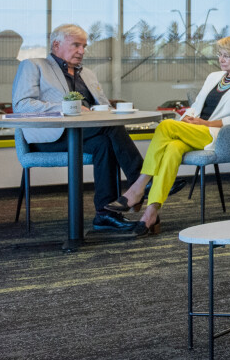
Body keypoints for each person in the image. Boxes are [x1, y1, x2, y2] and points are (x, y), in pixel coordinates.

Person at [118, 35, 230, 233]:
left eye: (227, 56)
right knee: (172, 148)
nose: (221, 59)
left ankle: (139, 185)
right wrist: (188, 117)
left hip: (218, 134)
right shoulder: (214, 77)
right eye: (220, 54)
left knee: (166, 125)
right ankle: (151, 213)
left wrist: (206, 123)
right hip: (195, 130)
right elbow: (196, 105)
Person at [12, 24, 144, 233]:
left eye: (84, 46)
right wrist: (67, 107)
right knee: (110, 129)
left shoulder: (88, 74)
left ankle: (105, 214)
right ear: (56, 45)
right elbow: (22, 105)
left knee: (105, 142)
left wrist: (109, 111)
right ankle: (142, 181)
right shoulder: (34, 66)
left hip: (85, 134)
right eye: (76, 45)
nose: (81, 51)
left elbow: (103, 107)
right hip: (49, 137)